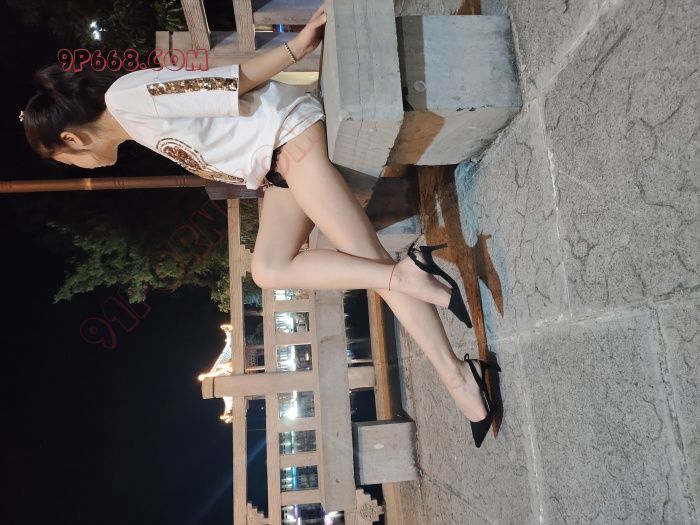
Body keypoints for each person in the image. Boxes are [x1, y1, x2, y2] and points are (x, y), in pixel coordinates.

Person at [20, 5, 500, 447]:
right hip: (279, 164)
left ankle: (457, 376)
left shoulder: (126, 99)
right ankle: (408, 280)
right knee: (269, 268)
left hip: (289, 135)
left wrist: (297, 46)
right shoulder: (133, 124)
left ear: (70, 139)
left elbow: (224, 84)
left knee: (366, 260)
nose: (77, 167)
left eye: (65, 160)